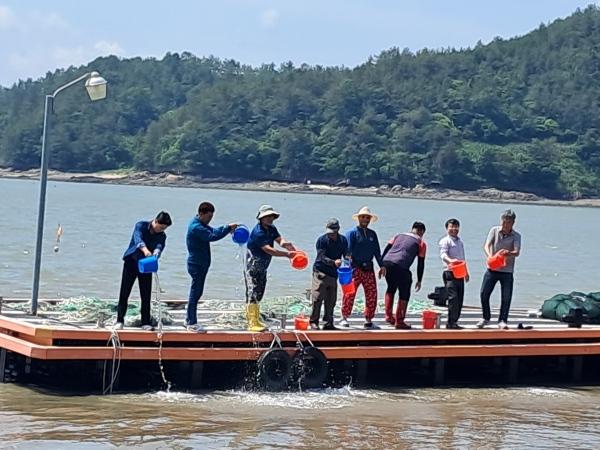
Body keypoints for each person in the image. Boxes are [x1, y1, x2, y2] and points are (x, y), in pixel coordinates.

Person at [115, 211, 172, 330]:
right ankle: (119, 320)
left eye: (164, 229)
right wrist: (146, 251)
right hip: (131, 262)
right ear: (155, 221)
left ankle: (145, 322)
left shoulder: (162, 235)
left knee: (145, 294)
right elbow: (138, 239)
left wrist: (157, 252)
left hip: (146, 266)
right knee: (124, 292)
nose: (162, 230)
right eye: (161, 227)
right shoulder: (140, 225)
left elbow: (160, 245)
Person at [185, 202, 237, 332]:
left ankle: (189, 319)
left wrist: (227, 227)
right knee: (195, 293)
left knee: (197, 292)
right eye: (208, 217)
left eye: (211, 217)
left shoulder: (202, 224)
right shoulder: (196, 227)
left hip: (201, 263)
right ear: (201, 213)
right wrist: (227, 229)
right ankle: (191, 322)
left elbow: (213, 230)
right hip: (196, 264)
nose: (210, 220)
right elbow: (212, 236)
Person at [246, 205, 296, 332]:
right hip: (253, 265)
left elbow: (279, 240)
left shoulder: (271, 228)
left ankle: (254, 317)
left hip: (263, 267)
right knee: (253, 292)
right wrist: (286, 254)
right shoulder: (258, 232)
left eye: (271, 217)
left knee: (260, 292)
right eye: (267, 217)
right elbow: (268, 250)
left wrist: (286, 245)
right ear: (261, 218)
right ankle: (252, 322)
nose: (270, 219)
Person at [340, 206, 386, 329]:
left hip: (368, 268)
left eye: (367, 217)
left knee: (372, 294)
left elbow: (377, 251)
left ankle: (368, 319)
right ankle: (344, 317)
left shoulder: (372, 234)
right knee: (349, 294)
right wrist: (346, 268)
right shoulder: (352, 233)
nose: (365, 219)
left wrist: (381, 265)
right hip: (355, 268)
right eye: (363, 217)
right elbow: (347, 251)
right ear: (358, 218)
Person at [477, 209, 522, 330]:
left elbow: (517, 252)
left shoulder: (516, 236)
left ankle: (502, 320)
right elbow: (487, 245)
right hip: (492, 269)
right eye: (504, 221)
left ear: (513, 222)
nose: (505, 224)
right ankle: (486, 317)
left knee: (506, 297)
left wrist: (508, 253)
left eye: (508, 222)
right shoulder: (494, 230)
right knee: (483, 294)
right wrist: (490, 255)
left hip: (507, 271)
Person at [382, 222, 427, 329]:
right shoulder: (421, 242)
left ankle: (388, 316)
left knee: (391, 288)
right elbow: (421, 263)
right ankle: (400, 321)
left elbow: (386, 250)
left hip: (387, 263)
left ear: (412, 229)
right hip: (401, 265)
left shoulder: (398, 235)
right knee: (404, 292)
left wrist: (381, 265)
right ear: (421, 232)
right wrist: (419, 280)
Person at [310, 218, 350, 330]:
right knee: (317, 297)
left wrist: (347, 258)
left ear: (338, 230)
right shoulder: (321, 240)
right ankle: (314, 321)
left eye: (333, 233)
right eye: (329, 233)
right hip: (320, 271)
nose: (331, 235)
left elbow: (346, 252)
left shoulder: (343, 240)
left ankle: (328, 323)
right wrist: (333, 262)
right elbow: (321, 256)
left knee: (331, 299)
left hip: (333, 273)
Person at [439, 218, 469, 329]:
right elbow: (443, 254)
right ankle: (450, 322)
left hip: (460, 273)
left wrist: (466, 272)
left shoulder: (460, 242)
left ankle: (455, 322)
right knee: (453, 298)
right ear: (447, 228)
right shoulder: (445, 241)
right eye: (451, 227)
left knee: (460, 299)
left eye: (456, 227)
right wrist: (450, 261)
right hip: (449, 272)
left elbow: (462, 258)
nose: (454, 229)